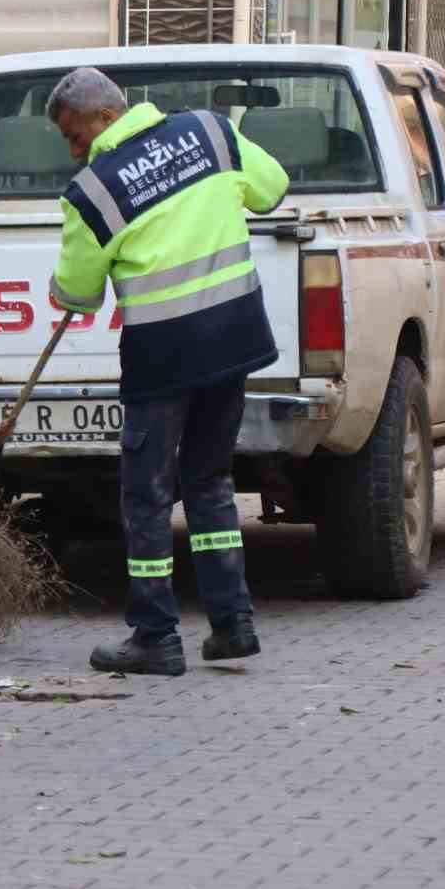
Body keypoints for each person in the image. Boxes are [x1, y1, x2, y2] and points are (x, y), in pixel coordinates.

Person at [44, 67, 290, 676]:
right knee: (209, 479)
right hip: (233, 337)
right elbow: (273, 187)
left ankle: (156, 635)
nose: (73, 149)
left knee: (147, 494)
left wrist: (62, 287)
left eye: (73, 135)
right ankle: (232, 624)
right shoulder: (209, 132)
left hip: (164, 356)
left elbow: (78, 292)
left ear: (104, 119)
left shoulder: (92, 191)